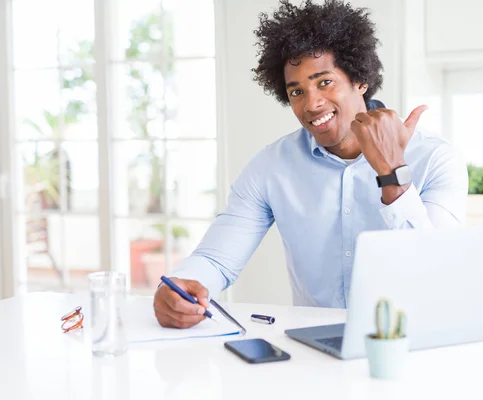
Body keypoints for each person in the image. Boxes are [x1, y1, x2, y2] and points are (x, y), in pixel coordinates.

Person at [153, 0, 467, 328]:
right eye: (296, 91)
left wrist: (391, 172)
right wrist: (180, 288)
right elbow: (215, 260)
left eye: (324, 82)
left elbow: (432, 276)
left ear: (360, 80)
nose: (312, 103)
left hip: (410, 344)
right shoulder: (271, 166)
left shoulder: (435, 158)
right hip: (313, 352)